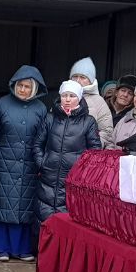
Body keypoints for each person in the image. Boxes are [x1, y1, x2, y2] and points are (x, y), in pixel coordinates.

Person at [0, 66, 48, 261]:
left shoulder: (41, 109)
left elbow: (44, 139)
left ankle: (22, 249)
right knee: (1, 205)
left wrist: (41, 164)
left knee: (25, 208)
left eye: (27, 86)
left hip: (29, 165)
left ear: (34, 88)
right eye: (20, 85)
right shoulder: (1, 104)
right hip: (3, 163)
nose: (23, 90)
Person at [34, 81, 101, 223]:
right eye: (65, 95)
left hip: (73, 180)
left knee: (66, 224)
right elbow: (38, 144)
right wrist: (42, 163)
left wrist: (82, 172)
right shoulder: (50, 118)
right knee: (43, 221)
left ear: (79, 98)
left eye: (72, 96)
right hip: (47, 178)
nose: (68, 99)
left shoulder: (88, 122)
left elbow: (95, 151)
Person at [69, 57, 115, 146]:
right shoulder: (62, 98)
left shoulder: (99, 102)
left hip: (86, 154)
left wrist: (90, 147)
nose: (78, 80)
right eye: (75, 77)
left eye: (83, 77)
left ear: (91, 81)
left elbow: (106, 131)